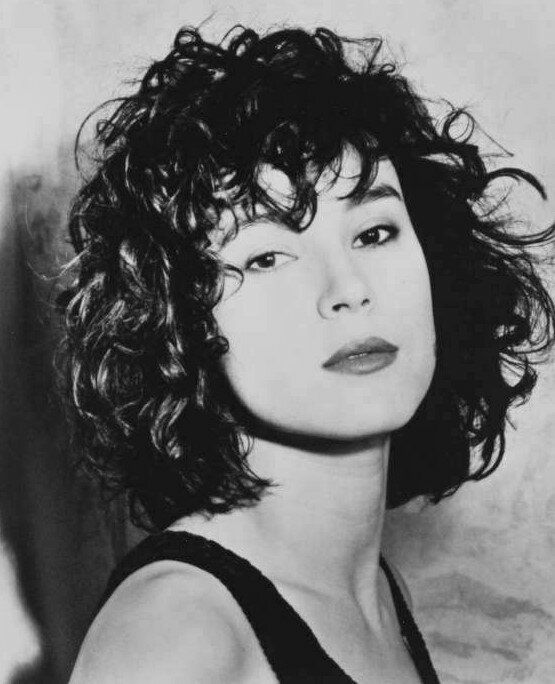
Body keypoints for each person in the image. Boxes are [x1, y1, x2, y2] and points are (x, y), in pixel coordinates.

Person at [60, 25, 554, 683]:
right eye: (267, 256)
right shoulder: (176, 635)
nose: (348, 289)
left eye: (374, 233)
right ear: (179, 320)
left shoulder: (373, 592)